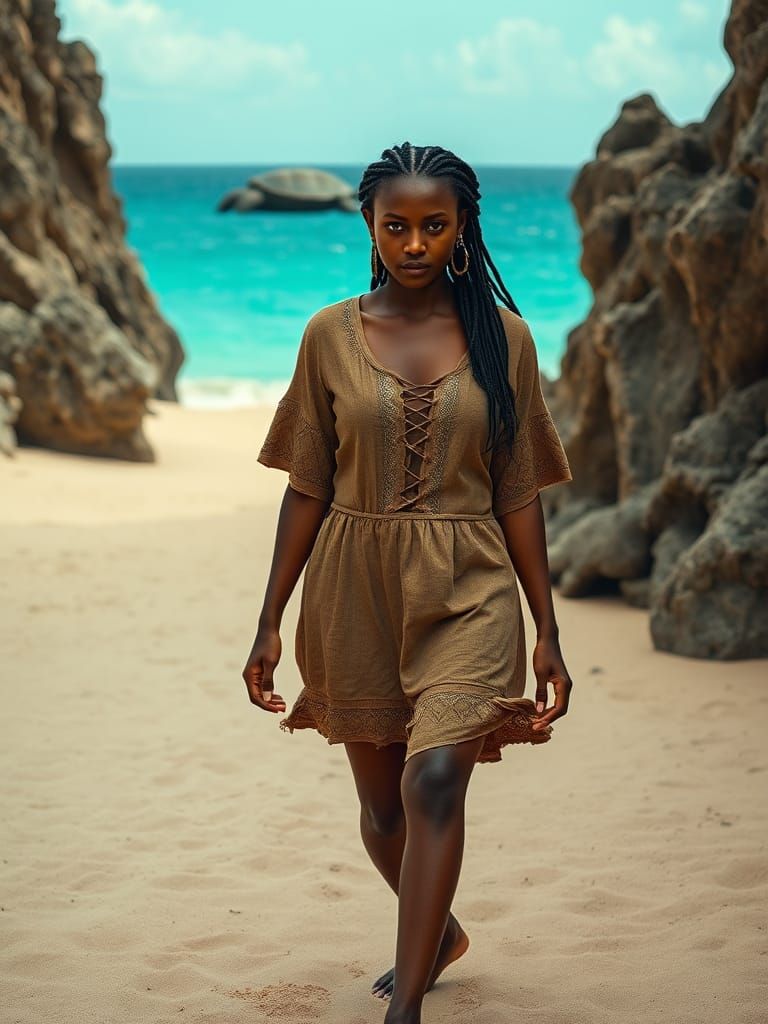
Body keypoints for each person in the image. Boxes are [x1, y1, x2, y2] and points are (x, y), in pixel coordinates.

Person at [242, 141, 574, 1024]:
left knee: (433, 784)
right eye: (397, 226)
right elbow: (307, 484)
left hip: (470, 588)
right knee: (383, 813)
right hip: (354, 591)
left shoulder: (506, 340)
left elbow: (519, 492)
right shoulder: (328, 335)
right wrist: (270, 618)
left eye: (435, 225)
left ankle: (407, 1007)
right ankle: (442, 933)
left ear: (464, 227)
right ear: (369, 225)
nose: (416, 243)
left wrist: (547, 628)